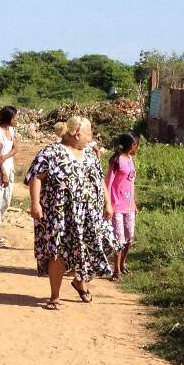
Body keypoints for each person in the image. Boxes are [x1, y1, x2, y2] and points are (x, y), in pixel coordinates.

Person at [25, 115, 119, 310]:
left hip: (88, 214)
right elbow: (36, 177)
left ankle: (80, 282)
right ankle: (55, 296)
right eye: (89, 131)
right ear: (77, 133)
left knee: (94, 247)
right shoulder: (51, 153)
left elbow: (99, 180)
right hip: (59, 214)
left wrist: (107, 204)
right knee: (58, 252)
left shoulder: (91, 154)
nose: (91, 135)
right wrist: (36, 204)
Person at [106, 132, 139, 281]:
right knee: (118, 239)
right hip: (117, 206)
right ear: (132, 145)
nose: (137, 148)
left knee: (129, 238)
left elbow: (132, 183)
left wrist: (135, 203)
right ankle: (116, 271)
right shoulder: (117, 160)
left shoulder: (131, 159)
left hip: (129, 206)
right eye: (137, 145)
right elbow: (108, 183)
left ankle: (123, 264)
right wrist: (107, 205)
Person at [0, 106, 19, 247]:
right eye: (15, 117)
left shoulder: (11, 130)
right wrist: (3, 172)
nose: (17, 119)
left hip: (7, 169)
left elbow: (15, 148)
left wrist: (4, 157)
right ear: (9, 118)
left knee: (6, 200)